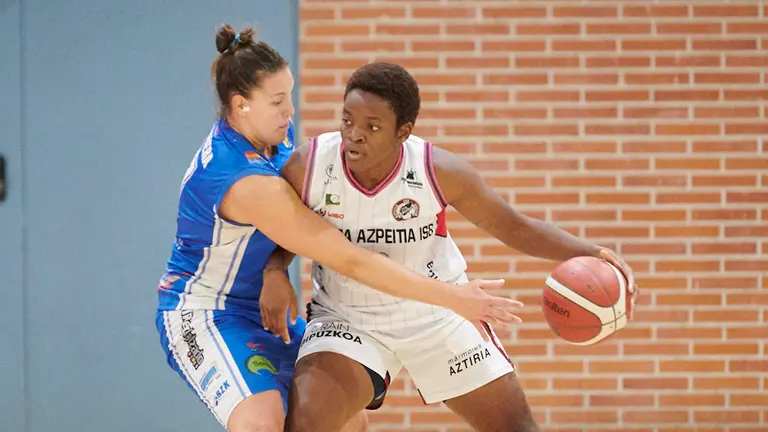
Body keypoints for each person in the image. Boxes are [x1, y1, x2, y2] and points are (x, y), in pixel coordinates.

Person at [154, 27, 525, 432]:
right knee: (262, 424)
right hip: (206, 310)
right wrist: (453, 297)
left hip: (260, 305)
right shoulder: (244, 180)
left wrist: (274, 271)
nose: (290, 111)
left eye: (289, 95)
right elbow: (351, 261)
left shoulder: (273, 139)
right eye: (277, 102)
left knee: (348, 421)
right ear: (241, 105)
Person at [267, 62, 639, 432]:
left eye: (372, 127)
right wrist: (275, 269)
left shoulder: (438, 171)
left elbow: (513, 226)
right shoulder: (309, 166)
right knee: (305, 423)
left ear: (403, 132)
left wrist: (590, 252)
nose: (354, 135)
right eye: (347, 120)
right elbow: (280, 230)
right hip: (347, 317)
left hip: (441, 310)